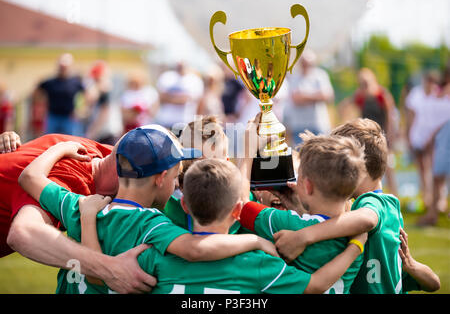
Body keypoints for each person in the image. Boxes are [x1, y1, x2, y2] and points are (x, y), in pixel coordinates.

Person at [18, 125, 280, 293]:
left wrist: (60, 147)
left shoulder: (81, 205)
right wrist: (256, 241)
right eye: (176, 175)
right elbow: (195, 248)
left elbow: (29, 178)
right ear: (160, 178)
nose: (178, 182)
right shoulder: (153, 224)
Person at [82, 158, 367, 294]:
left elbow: (97, 276)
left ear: (183, 206)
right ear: (237, 211)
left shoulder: (156, 257)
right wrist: (356, 245)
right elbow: (316, 286)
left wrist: (86, 218)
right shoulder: (259, 264)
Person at [273, 118, 441, 294]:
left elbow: (366, 219)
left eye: (340, 166)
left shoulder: (374, 203)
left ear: (360, 167)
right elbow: (434, 284)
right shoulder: (376, 208)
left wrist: (304, 236)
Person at [1, 132, 158, 293]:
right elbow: (22, 233)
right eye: (170, 177)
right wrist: (109, 268)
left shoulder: (95, 152)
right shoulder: (65, 180)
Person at [238, 129, 367, 294]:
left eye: (296, 177)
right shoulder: (356, 237)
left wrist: (247, 151)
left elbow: (241, 206)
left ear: (307, 185)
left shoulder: (289, 224)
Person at [338, 67, 398, 196]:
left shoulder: (381, 94)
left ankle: (394, 194)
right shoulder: (360, 96)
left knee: (388, 166)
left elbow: (390, 116)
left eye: (366, 82)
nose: (364, 86)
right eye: (361, 83)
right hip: (368, 135)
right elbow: (344, 106)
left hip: (382, 134)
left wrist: (390, 135)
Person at [404, 70, 443, 209]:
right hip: (418, 137)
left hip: (433, 138)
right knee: (422, 168)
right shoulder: (416, 95)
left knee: (434, 168)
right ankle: (426, 196)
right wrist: (408, 135)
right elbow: (410, 116)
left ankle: (438, 199)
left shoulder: (438, 96)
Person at [283, 49, 334, 145]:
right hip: (299, 126)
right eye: (304, 63)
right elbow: (296, 99)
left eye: (309, 64)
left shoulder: (320, 75)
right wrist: (316, 96)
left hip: (319, 124)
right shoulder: (294, 77)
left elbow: (328, 96)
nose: (306, 66)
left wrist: (304, 96)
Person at [33, 53, 86, 136]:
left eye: (65, 67)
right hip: (52, 117)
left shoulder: (76, 82)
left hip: (69, 118)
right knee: (50, 141)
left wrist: (80, 110)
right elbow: (36, 92)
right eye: (61, 66)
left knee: (72, 142)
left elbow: (87, 95)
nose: (63, 69)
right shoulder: (49, 82)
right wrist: (41, 108)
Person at [155, 61, 204, 132]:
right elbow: (161, 97)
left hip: (185, 122)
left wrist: (170, 97)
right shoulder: (166, 77)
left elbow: (188, 100)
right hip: (166, 121)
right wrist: (180, 99)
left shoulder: (194, 80)